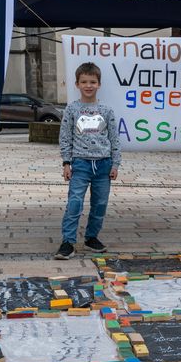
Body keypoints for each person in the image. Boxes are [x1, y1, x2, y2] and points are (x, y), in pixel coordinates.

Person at [54, 62, 121, 260]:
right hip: (80, 165)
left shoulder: (106, 111)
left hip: (103, 165)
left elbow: (114, 139)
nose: (88, 85)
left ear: (99, 84)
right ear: (77, 84)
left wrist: (115, 164)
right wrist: (67, 162)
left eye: (93, 81)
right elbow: (65, 137)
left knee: (100, 204)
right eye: (84, 81)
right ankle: (68, 241)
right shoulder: (72, 109)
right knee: (74, 203)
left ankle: (92, 237)